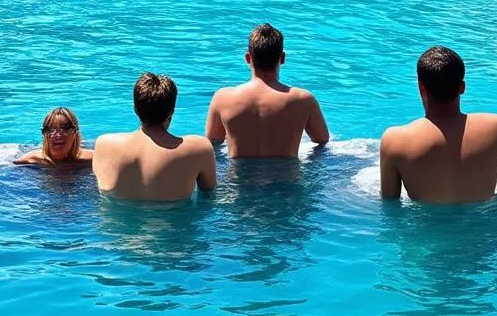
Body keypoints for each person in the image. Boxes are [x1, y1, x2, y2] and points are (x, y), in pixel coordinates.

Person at [379, 46, 497, 204]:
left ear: (421, 87)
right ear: (462, 87)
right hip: (482, 227)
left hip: (427, 228)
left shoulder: (394, 140)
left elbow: (390, 205)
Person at [205, 23, 329, 158]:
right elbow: (321, 139)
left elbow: (213, 141)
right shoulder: (303, 99)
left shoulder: (222, 97)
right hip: (288, 177)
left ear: (248, 58)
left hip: (237, 178)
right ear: (282, 58)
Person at [93, 72, 216, 201]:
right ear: (172, 111)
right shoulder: (199, 149)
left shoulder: (104, 144)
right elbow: (209, 195)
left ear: (135, 109)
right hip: (173, 218)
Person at [14, 107, 93, 166]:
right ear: (44, 134)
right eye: (50, 130)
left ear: (75, 133)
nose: (57, 135)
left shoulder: (92, 159)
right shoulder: (29, 160)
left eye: (65, 129)